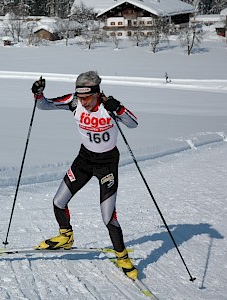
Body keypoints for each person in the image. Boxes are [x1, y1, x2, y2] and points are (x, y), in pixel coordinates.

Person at [31, 71, 139, 279]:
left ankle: (122, 256)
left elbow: (133, 123)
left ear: (97, 94)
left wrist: (119, 109)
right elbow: (44, 105)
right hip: (84, 160)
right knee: (58, 201)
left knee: (108, 217)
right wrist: (38, 94)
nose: (84, 102)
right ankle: (66, 237)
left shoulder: (109, 106)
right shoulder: (73, 102)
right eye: (81, 97)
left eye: (87, 98)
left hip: (107, 164)